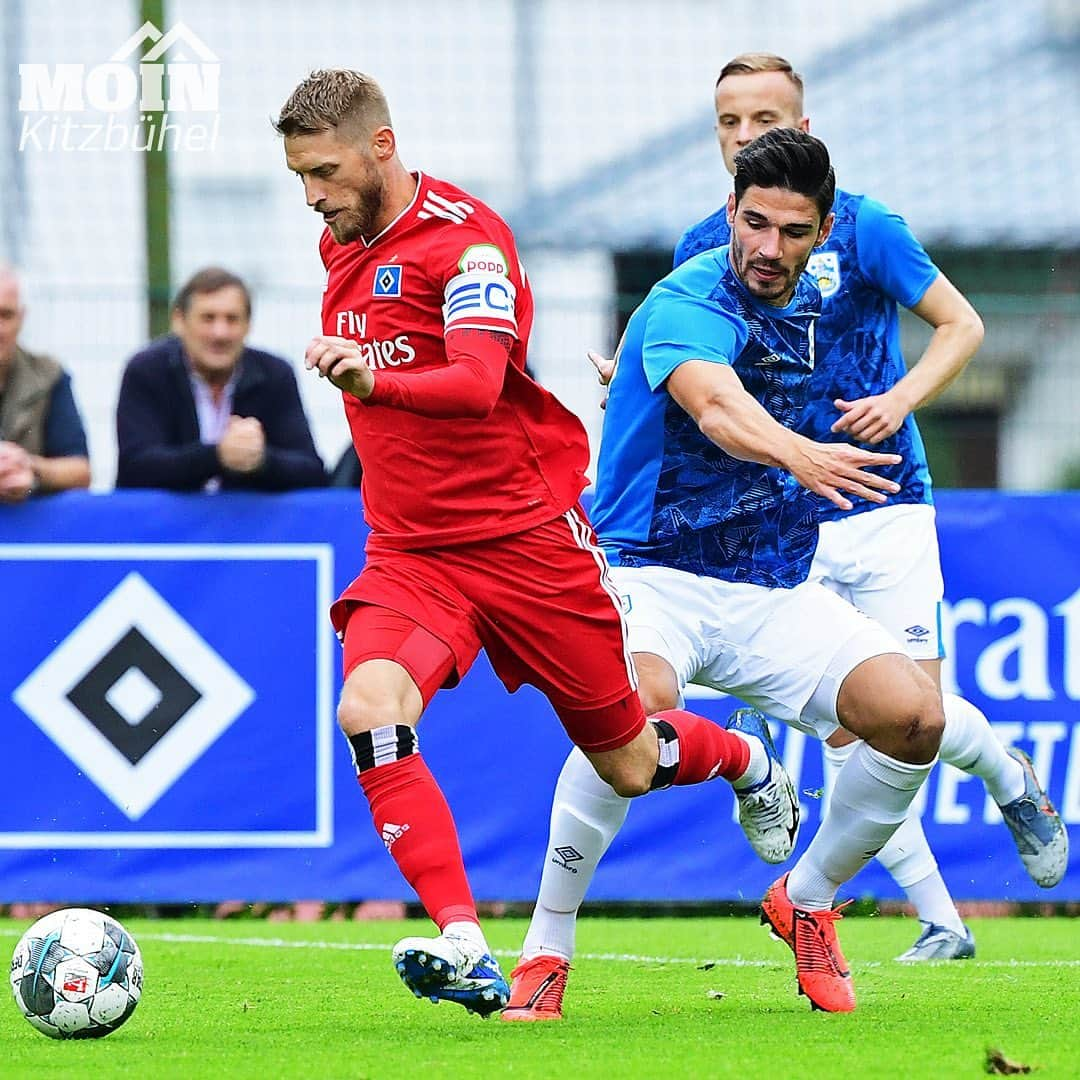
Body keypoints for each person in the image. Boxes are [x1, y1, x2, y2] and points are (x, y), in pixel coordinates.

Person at [270, 72, 894, 1019]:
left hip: (528, 542)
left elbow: (480, 383)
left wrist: (371, 383)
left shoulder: (468, 242)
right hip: (410, 553)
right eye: (300, 177)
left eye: (322, 171)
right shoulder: (341, 245)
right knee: (369, 705)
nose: (313, 195)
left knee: (630, 763)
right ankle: (464, 942)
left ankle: (742, 762)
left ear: (380, 147)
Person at [504, 127, 1066, 1018]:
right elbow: (717, 405)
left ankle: (805, 902)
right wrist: (799, 455)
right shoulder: (690, 294)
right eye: (754, 223)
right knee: (630, 722)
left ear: (823, 230)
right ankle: (547, 943)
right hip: (653, 576)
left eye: (791, 232)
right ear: (730, 212)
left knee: (914, 719)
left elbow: (951, 327)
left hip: (774, 588)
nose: (768, 248)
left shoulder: (830, 295)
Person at [116, 267, 326, 492]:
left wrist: (262, 460)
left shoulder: (274, 374)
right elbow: (135, 468)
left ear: (248, 325)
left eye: (232, 319)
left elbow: (312, 471)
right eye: (208, 318)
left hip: (246, 524)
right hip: (164, 526)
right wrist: (217, 456)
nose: (220, 333)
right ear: (179, 321)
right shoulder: (147, 371)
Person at [0, 265, 90, 501]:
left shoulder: (48, 375)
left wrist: (30, 468)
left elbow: (80, 471)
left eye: (5, 315)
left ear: (21, 318)